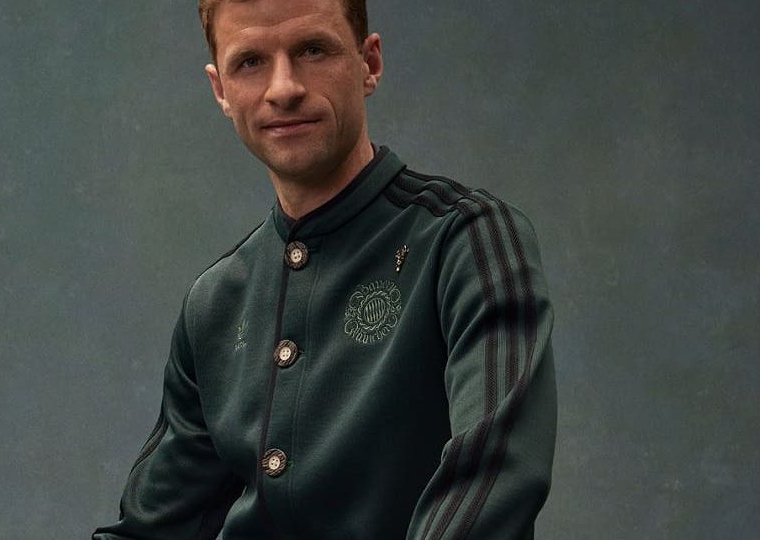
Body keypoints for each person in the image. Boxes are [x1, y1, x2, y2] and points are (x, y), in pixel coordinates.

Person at [93, 0, 556, 538]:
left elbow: (492, 477)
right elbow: (147, 530)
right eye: (250, 62)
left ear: (369, 64)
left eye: (312, 50)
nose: (284, 88)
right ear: (221, 90)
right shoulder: (216, 303)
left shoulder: (467, 241)